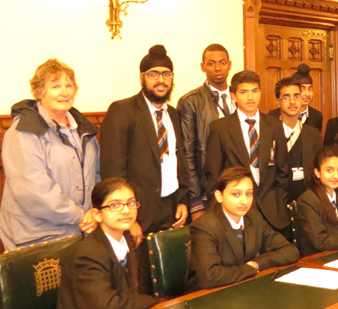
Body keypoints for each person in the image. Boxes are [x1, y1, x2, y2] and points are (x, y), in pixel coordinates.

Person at [0, 58, 99, 251]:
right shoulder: (24, 131)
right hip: (36, 237)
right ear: (40, 91)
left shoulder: (84, 130)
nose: (64, 92)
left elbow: (96, 175)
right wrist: (79, 216)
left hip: (80, 230)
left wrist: (93, 213)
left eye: (69, 85)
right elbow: (33, 189)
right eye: (55, 86)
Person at [100, 44, 189, 241]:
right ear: (141, 78)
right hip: (138, 212)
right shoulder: (122, 111)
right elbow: (112, 173)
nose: (160, 80)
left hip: (172, 210)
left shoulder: (173, 114)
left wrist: (182, 201)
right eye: (153, 74)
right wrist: (127, 217)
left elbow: (178, 161)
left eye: (166, 74)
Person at [205, 70, 290, 238]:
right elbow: (213, 175)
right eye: (244, 92)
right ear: (233, 96)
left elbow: (283, 171)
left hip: (273, 212)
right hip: (236, 210)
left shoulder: (274, 125)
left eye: (255, 91)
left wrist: (278, 200)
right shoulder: (220, 128)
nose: (250, 97)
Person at [186, 167, 299, 291]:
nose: (244, 201)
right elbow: (209, 277)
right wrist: (249, 269)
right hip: (207, 296)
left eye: (249, 194)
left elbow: (290, 251)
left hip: (242, 287)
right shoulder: (204, 226)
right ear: (219, 196)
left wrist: (256, 263)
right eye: (236, 194)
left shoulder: (254, 218)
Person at [58, 177, 158, 309]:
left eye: (131, 203)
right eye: (115, 205)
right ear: (97, 214)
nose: (126, 210)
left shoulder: (128, 241)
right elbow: (107, 305)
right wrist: (156, 302)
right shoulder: (87, 255)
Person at [177, 44, 234, 219]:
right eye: (211, 63)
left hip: (238, 187)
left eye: (222, 62)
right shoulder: (190, 102)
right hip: (207, 190)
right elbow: (188, 155)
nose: (218, 68)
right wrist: (196, 202)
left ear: (230, 65)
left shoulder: (242, 96)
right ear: (203, 67)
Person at [274, 77, 321, 203]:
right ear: (278, 102)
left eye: (296, 96)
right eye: (286, 97)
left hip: (307, 201)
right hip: (276, 202)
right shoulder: (270, 133)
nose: (293, 102)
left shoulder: (313, 134)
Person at [268, 64, 323, 131]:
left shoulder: (317, 116)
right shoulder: (273, 115)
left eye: (310, 89)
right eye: (302, 89)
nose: (307, 94)